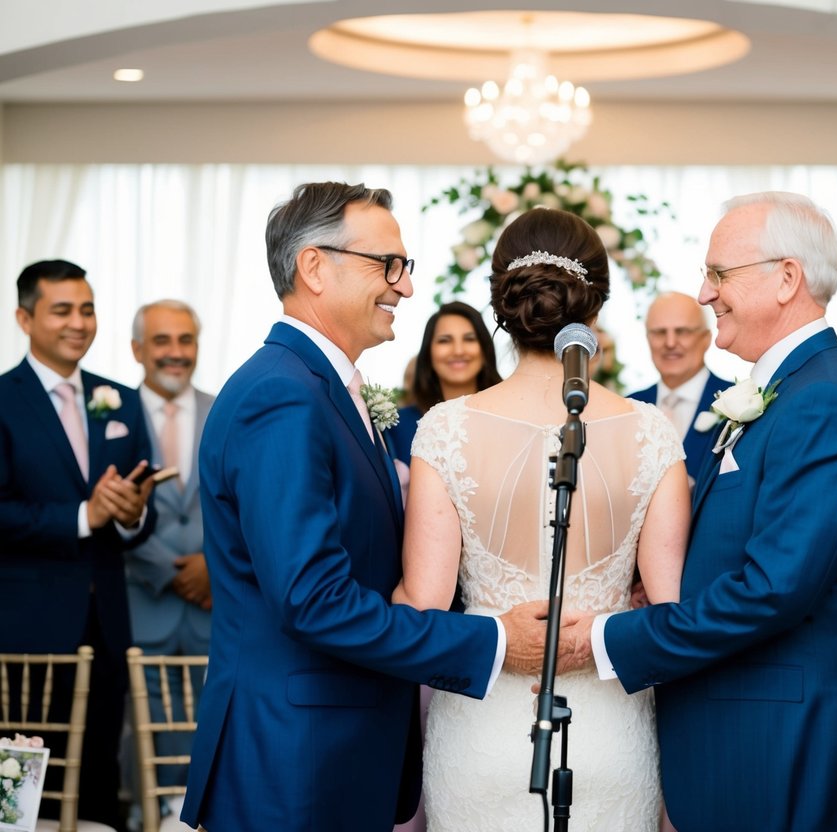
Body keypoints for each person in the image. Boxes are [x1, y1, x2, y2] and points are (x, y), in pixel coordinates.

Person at [180, 181, 550, 831]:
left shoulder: (324, 389)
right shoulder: (283, 397)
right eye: (389, 265)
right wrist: (489, 640)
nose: (404, 287)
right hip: (294, 758)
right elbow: (313, 600)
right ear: (314, 267)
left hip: (332, 744)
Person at [562, 191, 837, 831]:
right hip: (754, 732)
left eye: (719, 274)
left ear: (787, 279)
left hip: (789, 740)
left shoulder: (824, 400)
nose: (704, 293)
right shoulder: (789, 389)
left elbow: (774, 589)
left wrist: (611, 638)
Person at [392, 207, 689, 830]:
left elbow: (420, 605)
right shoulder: (652, 433)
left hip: (482, 726)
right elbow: (673, 615)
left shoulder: (445, 430)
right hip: (609, 725)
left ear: (503, 307)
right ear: (597, 308)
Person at [0, 259, 155, 828]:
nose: (79, 322)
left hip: (107, 620)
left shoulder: (119, 399)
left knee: (98, 775)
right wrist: (82, 515)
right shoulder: (3, 400)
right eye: (62, 309)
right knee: (21, 780)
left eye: (87, 309)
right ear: (24, 317)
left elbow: (141, 509)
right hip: (25, 629)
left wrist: (134, 513)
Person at [125, 299, 213, 806]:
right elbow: (111, 503)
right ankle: (143, 811)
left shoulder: (223, 406)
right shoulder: (113, 411)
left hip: (212, 599)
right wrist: (168, 569)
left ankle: (199, 811)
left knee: (207, 709)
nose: (175, 352)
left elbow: (243, 502)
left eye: (186, 340)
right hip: (143, 594)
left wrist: (213, 569)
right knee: (142, 714)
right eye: (162, 341)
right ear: (138, 349)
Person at [383, 301, 502, 467]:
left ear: (485, 350)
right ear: (428, 353)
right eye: (445, 341)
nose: (458, 350)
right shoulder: (398, 427)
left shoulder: (508, 418)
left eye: (469, 339)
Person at [629, 292, 730, 482]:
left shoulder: (734, 402)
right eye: (659, 332)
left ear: (706, 338)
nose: (670, 343)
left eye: (682, 331)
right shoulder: (628, 406)